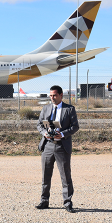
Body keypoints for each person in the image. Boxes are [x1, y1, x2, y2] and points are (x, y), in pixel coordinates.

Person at [36, 85, 79, 213]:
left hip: (62, 146)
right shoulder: (45, 108)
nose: (52, 98)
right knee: (46, 175)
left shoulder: (69, 109)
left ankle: (67, 202)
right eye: (50, 95)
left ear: (61, 95)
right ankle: (44, 201)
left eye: (54, 95)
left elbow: (75, 126)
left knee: (65, 176)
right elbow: (39, 124)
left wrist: (64, 134)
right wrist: (44, 133)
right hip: (48, 145)